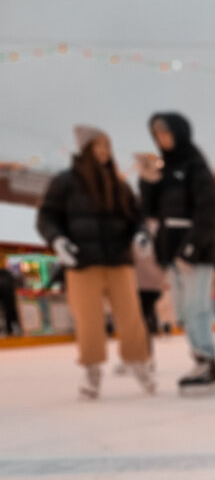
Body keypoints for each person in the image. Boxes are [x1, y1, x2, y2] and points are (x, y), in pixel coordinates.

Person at [36, 125, 154, 399]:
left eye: (107, 146)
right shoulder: (65, 182)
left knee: (131, 318)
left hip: (118, 261)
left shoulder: (119, 184)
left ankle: (138, 362)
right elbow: (47, 217)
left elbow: (136, 217)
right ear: (86, 150)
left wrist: (141, 235)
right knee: (88, 320)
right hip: (82, 262)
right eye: (98, 146)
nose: (104, 151)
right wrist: (57, 240)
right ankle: (92, 369)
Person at [138, 112, 215, 393]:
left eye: (166, 132)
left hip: (195, 252)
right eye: (157, 134)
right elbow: (150, 211)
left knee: (198, 308)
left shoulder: (196, 167)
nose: (162, 139)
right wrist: (147, 181)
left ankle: (208, 362)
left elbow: (207, 213)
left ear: (179, 132)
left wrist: (190, 248)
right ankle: (198, 360)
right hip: (171, 252)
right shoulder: (163, 171)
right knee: (184, 310)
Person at [132, 235, 165, 362]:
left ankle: (143, 356)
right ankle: (146, 355)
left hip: (140, 281)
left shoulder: (139, 229)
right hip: (153, 281)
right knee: (145, 315)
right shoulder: (156, 227)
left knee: (140, 318)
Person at [0, 263, 20, 338]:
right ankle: (9, 329)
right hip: (9, 297)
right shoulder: (9, 275)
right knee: (9, 310)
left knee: (7, 311)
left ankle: (8, 329)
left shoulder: (7, 275)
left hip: (6, 295)